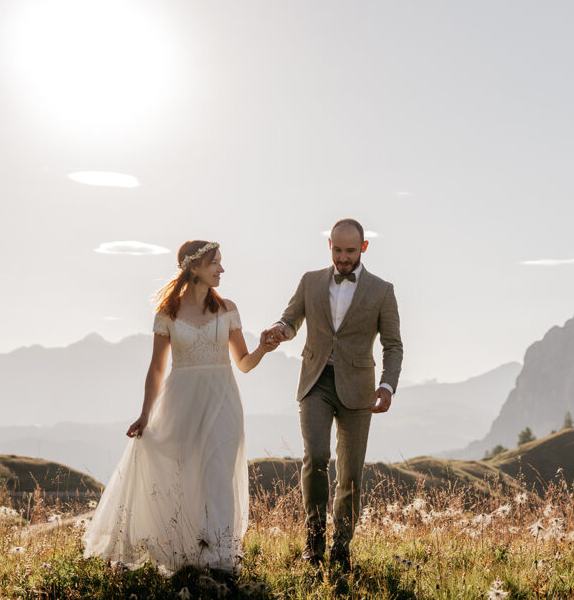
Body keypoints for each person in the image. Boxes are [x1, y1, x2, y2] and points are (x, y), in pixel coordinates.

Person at [83, 240, 277, 574]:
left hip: (224, 400)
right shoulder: (167, 314)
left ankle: (220, 559)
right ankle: (182, 553)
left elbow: (243, 363)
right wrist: (145, 413)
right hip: (181, 402)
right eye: (215, 262)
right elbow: (157, 369)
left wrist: (262, 348)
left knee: (218, 476)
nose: (222, 269)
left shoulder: (227, 308)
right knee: (182, 477)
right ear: (194, 267)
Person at [263, 218, 403, 572]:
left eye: (350, 251)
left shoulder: (383, 290)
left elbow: (393, 346)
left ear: (364, 249)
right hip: (315, 382)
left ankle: (342, 546)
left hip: (359, 389)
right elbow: (290, 319)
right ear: (329, 245)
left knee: (351, 473)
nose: (343, 258)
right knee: (317, 455)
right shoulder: (310, 281)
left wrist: (387, 386)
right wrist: (281, 329)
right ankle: (314, 538)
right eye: (337, 250)